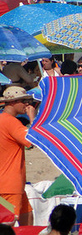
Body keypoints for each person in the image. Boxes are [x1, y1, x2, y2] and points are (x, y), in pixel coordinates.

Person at [0, 86, 37, 226]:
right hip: (10, 185)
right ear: (13, 103)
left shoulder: (2, 120)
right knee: (9, 224)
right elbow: (32, 141)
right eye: (23, 101)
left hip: (10, 183)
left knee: (27, 219)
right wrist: (32, 117)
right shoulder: (11, 122)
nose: (27, 104)